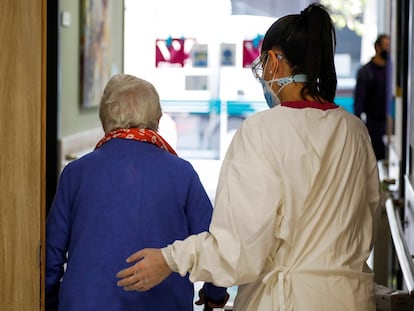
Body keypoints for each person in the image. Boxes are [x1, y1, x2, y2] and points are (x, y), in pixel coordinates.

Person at [116, 4, 381, 310]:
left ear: (272, 62)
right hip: (349, 299)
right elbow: (366, 225)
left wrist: (170, 259)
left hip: (288, 301)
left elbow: (239, 249)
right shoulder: (355, 131)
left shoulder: (262, 131)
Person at [45, 73, 228, 311]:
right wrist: (214, 293)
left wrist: (49, 300)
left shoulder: (76, 173)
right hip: (163, 303)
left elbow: (51, 254)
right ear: (157, 120)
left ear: (104, 120)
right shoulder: (182, 173)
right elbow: (213, 242)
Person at [353, 34, 390, 161]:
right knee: (375, 157)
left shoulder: (392, 71)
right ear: (377, 47)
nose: (388, 49)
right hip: (374, 123)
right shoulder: (366, 71)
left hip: (391, 122)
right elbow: (359, 100)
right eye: (386, 46)